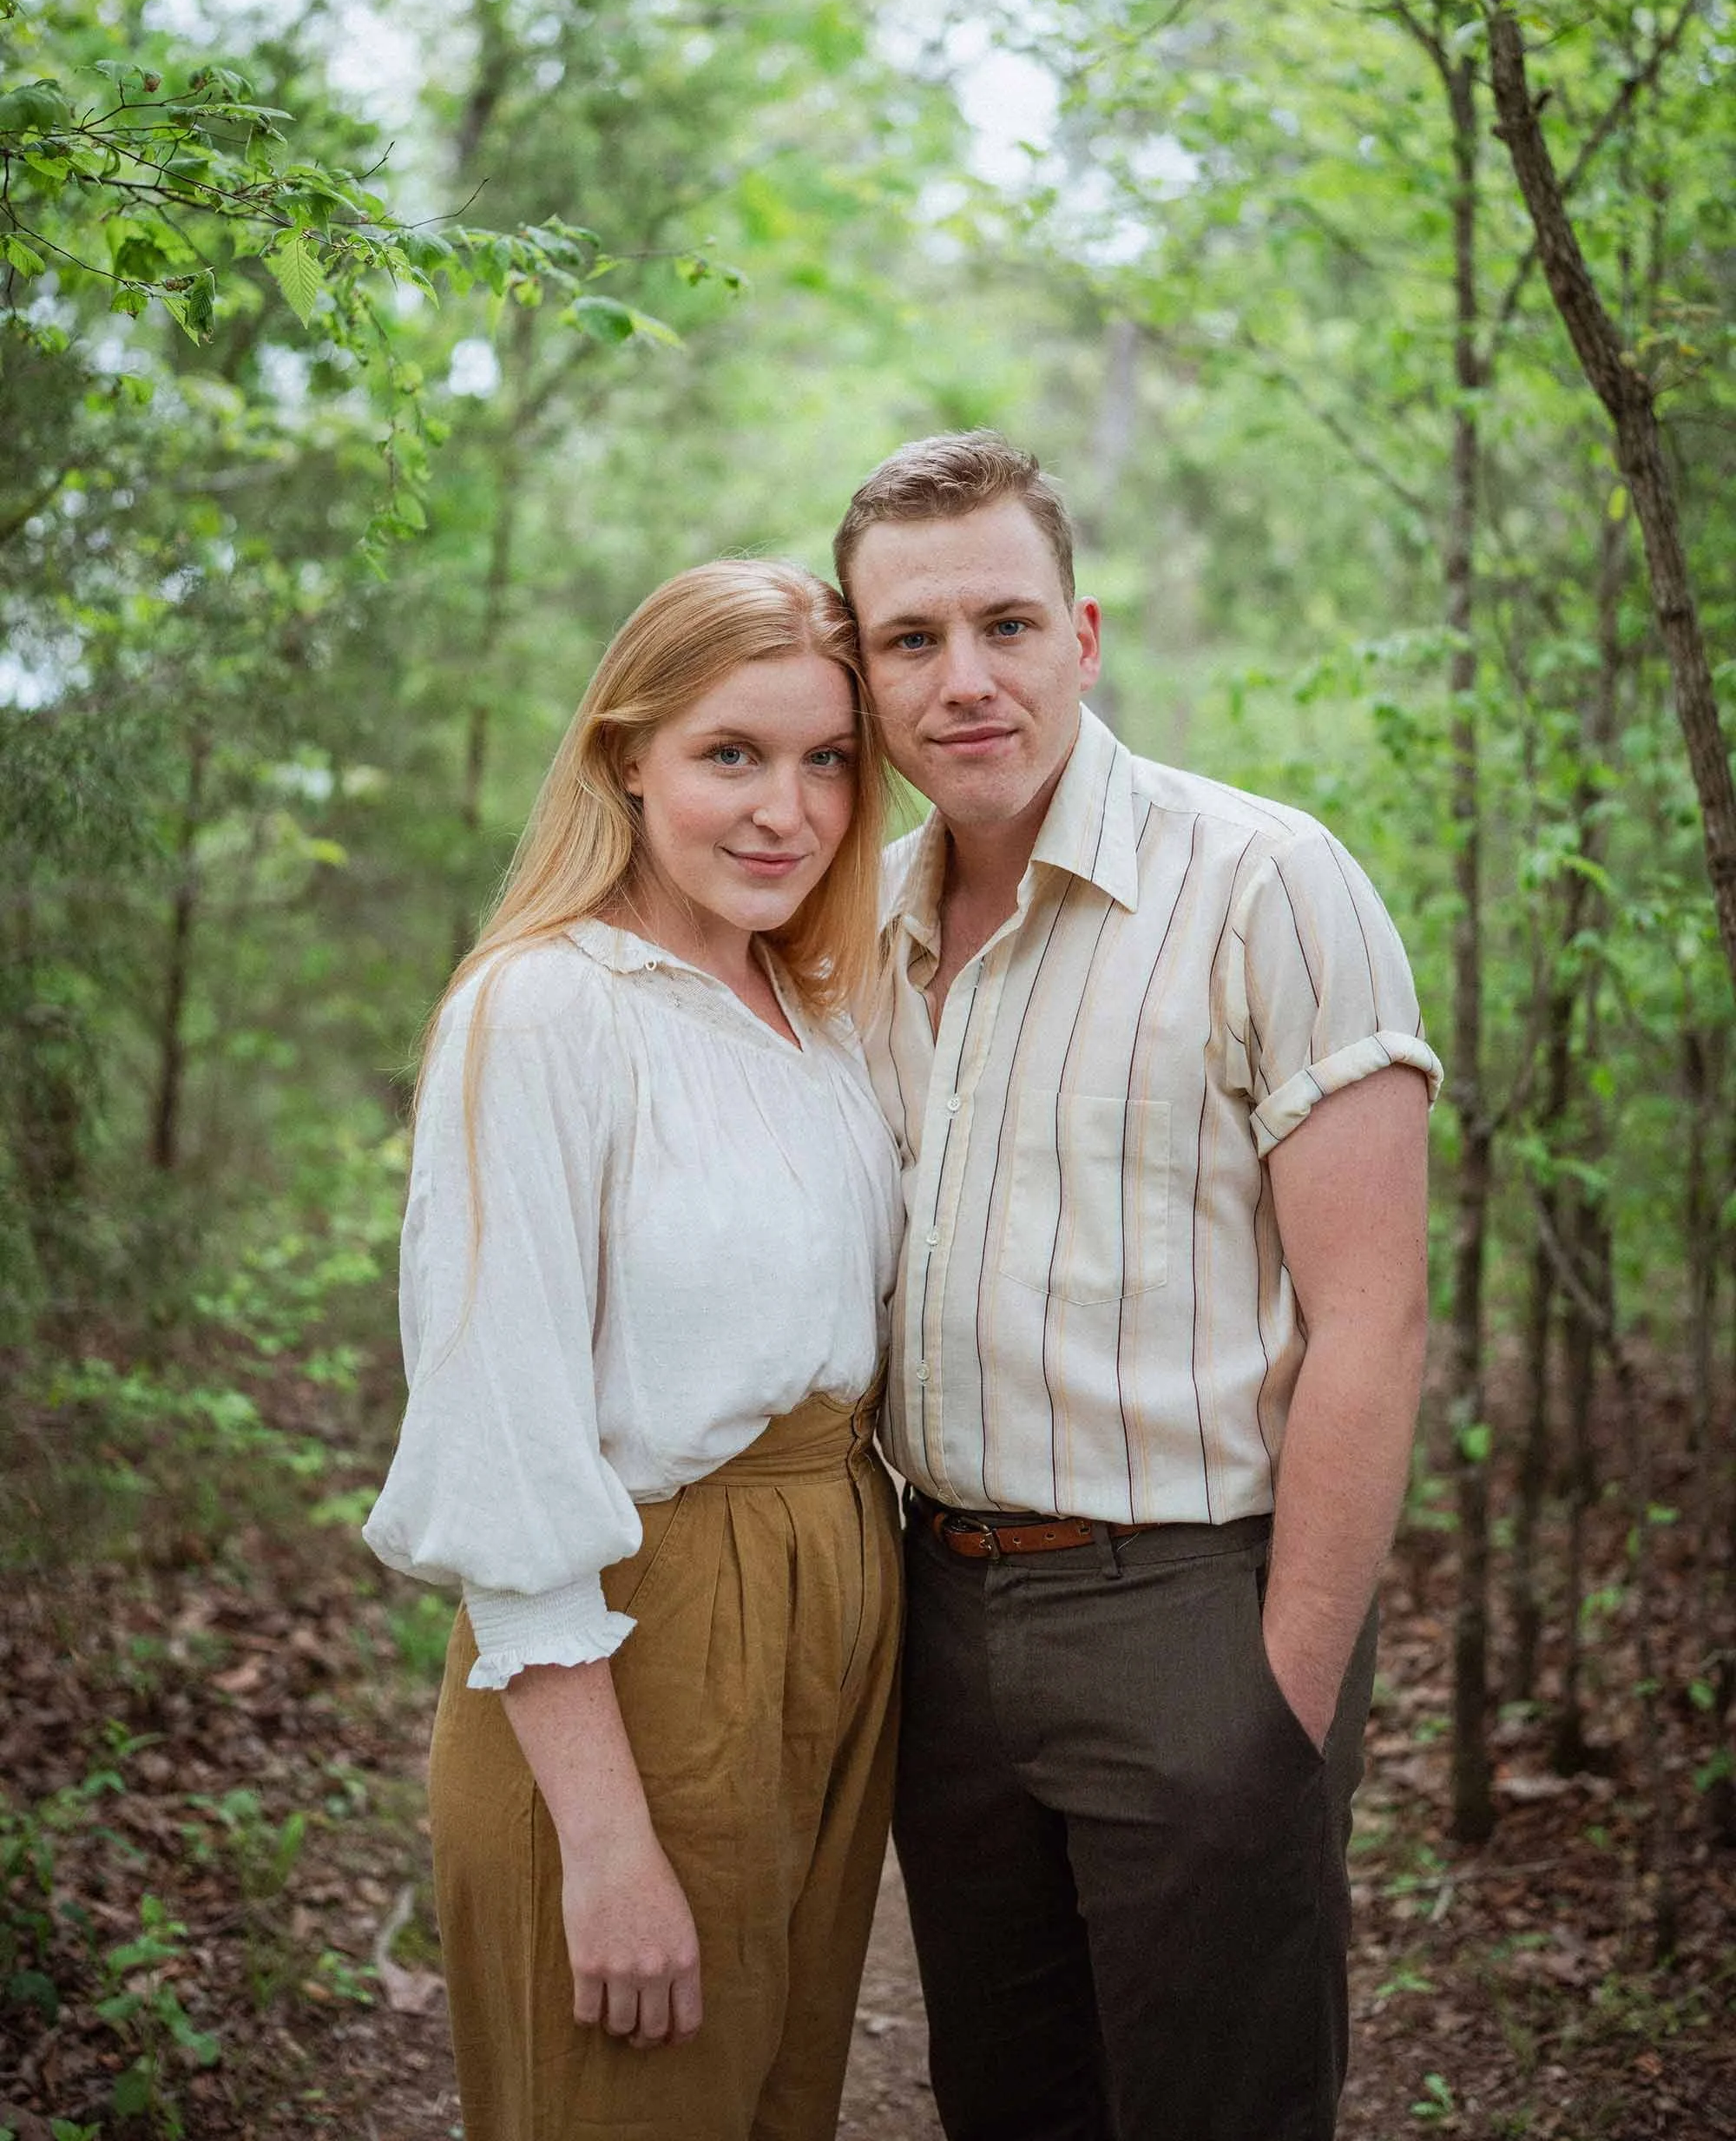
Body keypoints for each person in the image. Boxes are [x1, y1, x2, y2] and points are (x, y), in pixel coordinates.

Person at [833, 434, 1441, 2141]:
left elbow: (1372, 1322)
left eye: (1006, 625)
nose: (966, 680)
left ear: (1082, 637)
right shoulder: (856, 926)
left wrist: (1280, 1708)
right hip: (938, 1613)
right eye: (911, 640)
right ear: (862, 671)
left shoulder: (1267, 883)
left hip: (1192, 1608)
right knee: (1010, 2104)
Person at [363, 559, 904, 2141]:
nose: (784, 810)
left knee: (770, 2102)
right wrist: (605, 1845)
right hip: (635, 1643)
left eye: (824, 762)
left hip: (830, 1611)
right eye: (731, 754)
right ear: (625, 758)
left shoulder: (820, 1016)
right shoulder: (543, 1012)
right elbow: (504, 1433)